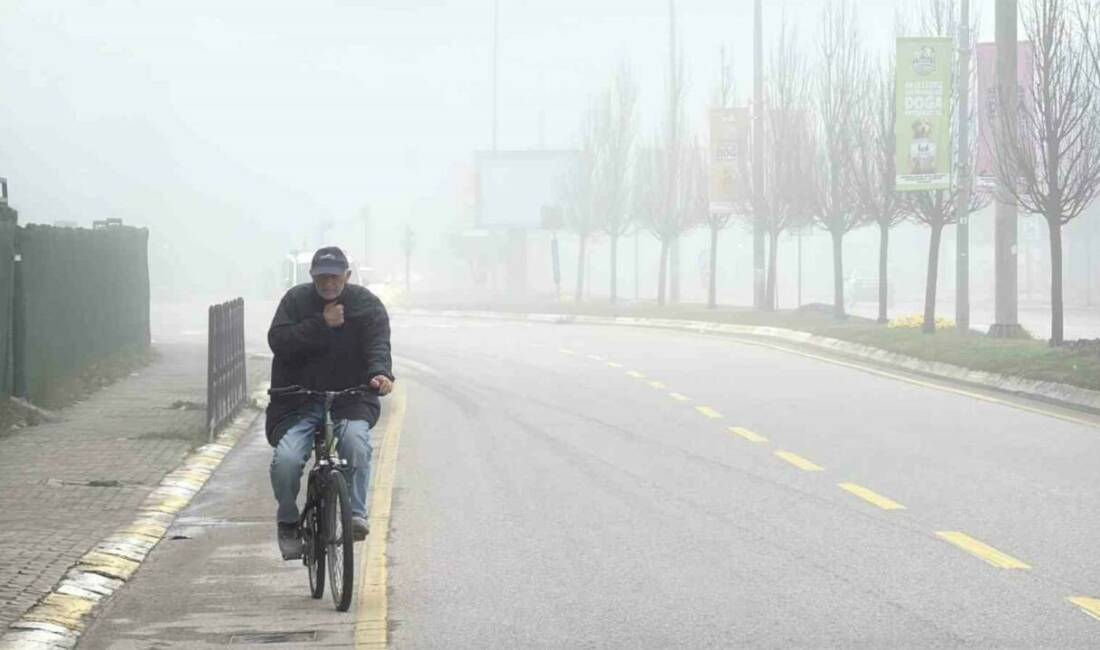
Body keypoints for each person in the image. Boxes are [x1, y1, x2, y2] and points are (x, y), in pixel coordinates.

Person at [265, 246, 394, 560]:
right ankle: (288, 521)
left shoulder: (366, 305)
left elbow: (378, 343)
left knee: (355, 444)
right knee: (287, 461)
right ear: (312, 277)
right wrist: (321, 323)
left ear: (347, 276)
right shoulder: (295, 302)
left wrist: (379, 374)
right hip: (298, 401)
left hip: (350, 398)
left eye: (335, 277)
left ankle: (356, 516)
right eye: (322, 277)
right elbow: (279, 342)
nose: (328, 284)